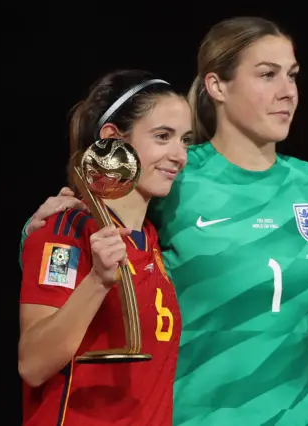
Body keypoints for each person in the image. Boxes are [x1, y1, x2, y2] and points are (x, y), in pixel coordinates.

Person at [21, 17, 308, 426]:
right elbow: (93, 234)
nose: (288, 92)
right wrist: (36, 232)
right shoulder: (174, 178)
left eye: (293, 75)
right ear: (217, 85)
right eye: (267, 74)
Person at [18, 69, 192, 426]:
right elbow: (33, 364)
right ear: (113, 139)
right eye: (163, 137)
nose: (179, 155)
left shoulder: (151, 240)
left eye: (185, 140)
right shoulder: (66, 233)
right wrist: (97, 281)